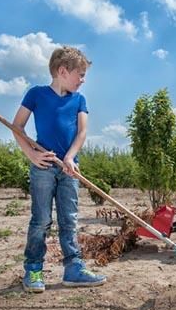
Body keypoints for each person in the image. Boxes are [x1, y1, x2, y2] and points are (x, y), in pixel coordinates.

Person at [12, 46, 107, 292]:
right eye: (81, 74)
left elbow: (82, 131)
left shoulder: (79, 100)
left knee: (69, 219)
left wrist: (71, 158)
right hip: (43, 167)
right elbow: (17, 126)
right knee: (41, 220)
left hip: (68, 170)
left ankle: (73, 268)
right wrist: (31, 154)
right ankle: (33, 270)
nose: (83, 80)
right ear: (63, 71)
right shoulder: (36, 94)